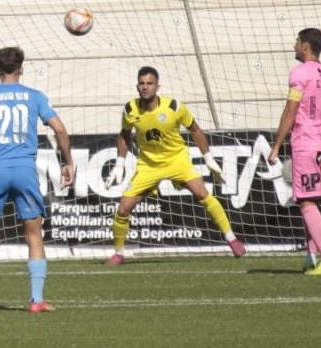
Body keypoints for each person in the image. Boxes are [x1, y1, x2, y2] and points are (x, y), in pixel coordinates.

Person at [0, 47, 74, 314]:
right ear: (22, 68)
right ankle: (36, 300)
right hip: (24, 171)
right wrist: (68, 162)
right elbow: (60, 129)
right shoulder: (35, 96)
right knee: (33, 233)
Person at [104, 66, 245, 266]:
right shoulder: (130, 109)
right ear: (137, 86)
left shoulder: (174, 107)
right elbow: (125, 134)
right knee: (123, 209)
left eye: (149, 83)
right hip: (148, 165)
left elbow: (195, 130)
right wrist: (119, 163)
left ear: (157, 86)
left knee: (202, 195)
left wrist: (208, 158)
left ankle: (231, 238)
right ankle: (118, 253)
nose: (145, 87)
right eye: (141, 84)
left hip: (176, 160)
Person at [268, 28, 321, 275]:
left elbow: (291, 109)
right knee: (310, 200)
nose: (294, 47)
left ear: (306, 45)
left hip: (308, 142)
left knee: (307, 201)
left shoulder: (301, 73)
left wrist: (276, 145)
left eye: (297, 42)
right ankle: (312, 257)